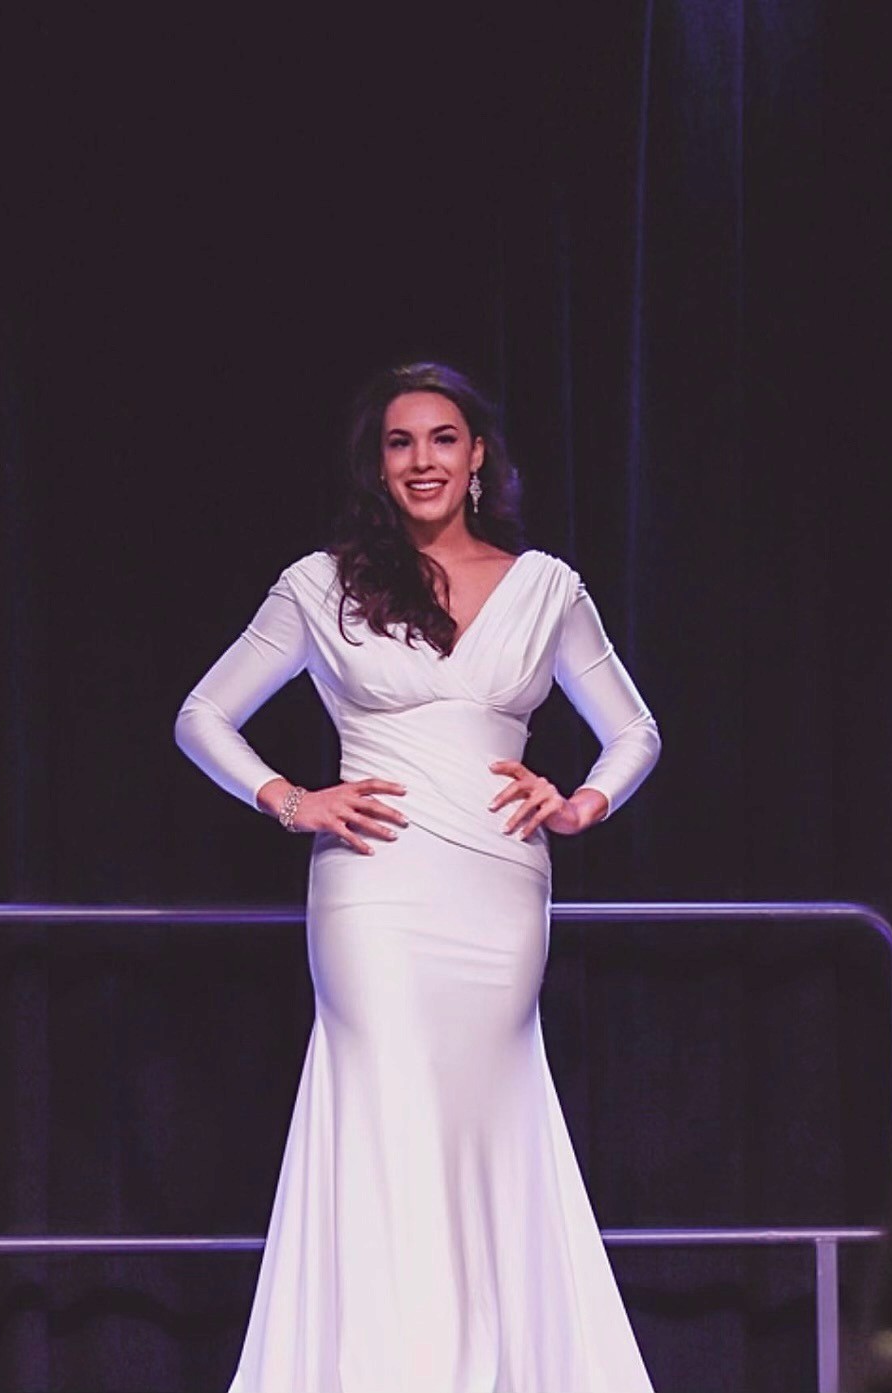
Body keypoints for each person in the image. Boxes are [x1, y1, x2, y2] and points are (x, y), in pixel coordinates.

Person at [175, 362, 662, 1392]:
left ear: (477, 455)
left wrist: (582, 802)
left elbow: (635, 730)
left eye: (443, 438)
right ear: (379, 464)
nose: (423, 460)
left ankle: (494, 1366)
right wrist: (291, 798)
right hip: (376, 891)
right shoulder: (321, 584)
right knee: (389, 1119)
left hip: (499, 893)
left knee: (482, 1124)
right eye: (401, 442)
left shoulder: (546, 587)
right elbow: (202, 715)